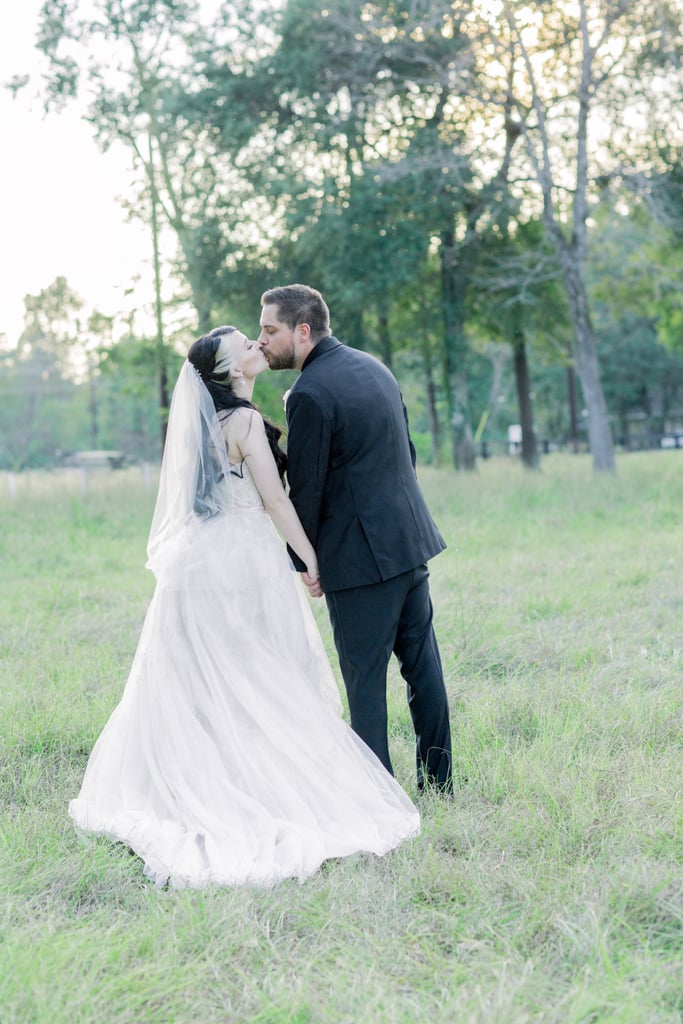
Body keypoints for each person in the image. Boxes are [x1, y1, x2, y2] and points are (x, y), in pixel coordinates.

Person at [69, 325, 419, 888]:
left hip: (197, 562)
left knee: (210, 683)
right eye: (245, 346)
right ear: (231, 372)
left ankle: (211, 774)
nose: (257, 347)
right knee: (261, 673)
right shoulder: (248, 421)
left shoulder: (198, 429)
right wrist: (311, 559)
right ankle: (256, 785)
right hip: (243, 562)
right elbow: (276, 500)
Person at [258, 285, 453, 794]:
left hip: (361, 562)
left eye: (270, 329)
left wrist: (304, 562)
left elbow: (307, 491)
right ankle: (440, 784)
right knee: (423, 670)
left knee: (365, 685)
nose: (262, 341)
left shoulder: (308, 393)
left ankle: (378, 799)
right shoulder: (375, 367)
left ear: (302, 331)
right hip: (409, 544)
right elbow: (406, 455)